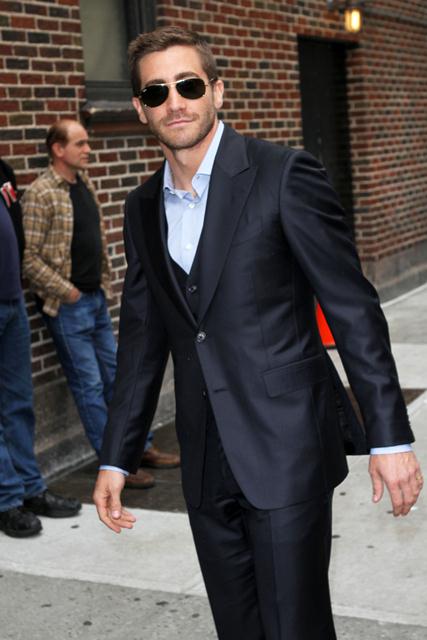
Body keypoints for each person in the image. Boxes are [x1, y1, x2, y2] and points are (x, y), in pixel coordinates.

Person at [93, 27, 423, 640]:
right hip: (204, 459)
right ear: (140, 108)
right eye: (157, 91)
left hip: (286, 446)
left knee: (294, 626)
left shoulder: (283, 174)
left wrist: (390, 437)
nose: (175, 102)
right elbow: (141, 342)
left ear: (217, 90)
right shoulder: (141, 207)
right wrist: (117, 454)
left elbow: (353, 309)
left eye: (189, 85)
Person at [21, 120, 179, 491]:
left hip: (95, 300)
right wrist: (68, 292)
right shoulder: (41, 193)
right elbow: (29, 258)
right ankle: (116, 464)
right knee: (90, 386)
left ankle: (140, 448)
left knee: (119, 377)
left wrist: (104, 282)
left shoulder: (84, 184)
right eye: (80, 143)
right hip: (68, 307)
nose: (88, 149)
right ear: (58, 149)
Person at [0, 158, 81, 538]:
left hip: (12, 302)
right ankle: (6, 501)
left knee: (19, 402)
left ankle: (31, 489)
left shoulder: (3, 171)